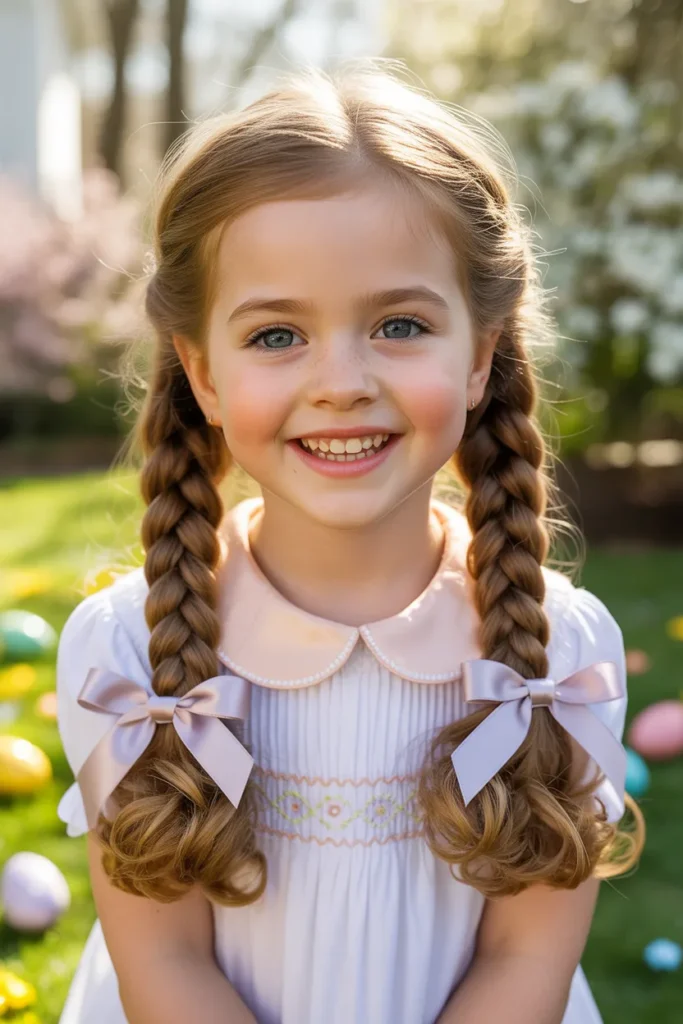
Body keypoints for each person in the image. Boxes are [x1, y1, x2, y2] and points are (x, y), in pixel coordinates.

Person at [55, 61, 644, 1024]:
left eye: (399, 324)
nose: (341, 381)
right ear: (200, 373)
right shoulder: (128, 655)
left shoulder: (553, 653)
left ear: (480, 355)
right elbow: (162, 962)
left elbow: (525, 960)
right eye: (277, 335)